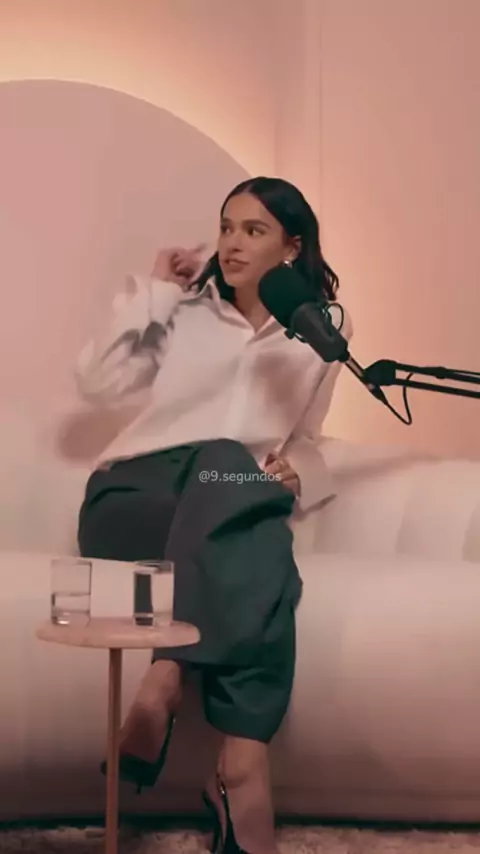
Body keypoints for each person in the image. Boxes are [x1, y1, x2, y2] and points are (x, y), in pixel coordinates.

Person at [75, 176, 352, 854]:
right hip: (134, 497)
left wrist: (302, 470)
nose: (231, 243)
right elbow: (97, 383)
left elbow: (307, 435)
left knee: (253, 520)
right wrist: (155, 291)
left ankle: (187, 708)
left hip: (224, 499)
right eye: (226, 227)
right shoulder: (185, 311)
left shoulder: (321, 329)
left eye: (253, 230)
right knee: (246, 501)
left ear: (293, 246)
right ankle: (233, 759)